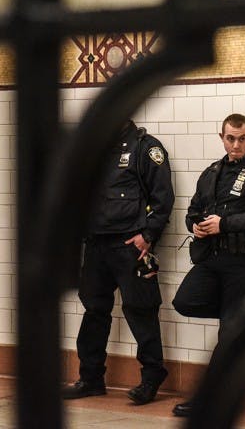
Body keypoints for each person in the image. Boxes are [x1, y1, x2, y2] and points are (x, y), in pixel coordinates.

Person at [171, 113, 245, 417]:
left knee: (229, 333)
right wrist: (195, 226)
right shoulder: (211, 173)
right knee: (185, 301)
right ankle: (237, 319)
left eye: (242, 138)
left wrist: (225, 224)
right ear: (221, 137)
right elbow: (193, 211)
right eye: (230, 138)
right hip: (214, 259)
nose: (236, 144)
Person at [62, 120, 174, 405]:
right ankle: (91, 379)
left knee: (141, 310)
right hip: (97, 245)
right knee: (94, 312)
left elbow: (163, 197)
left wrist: (147, 235)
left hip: (129, 246)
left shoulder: (146, 148)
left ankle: (151, 377)